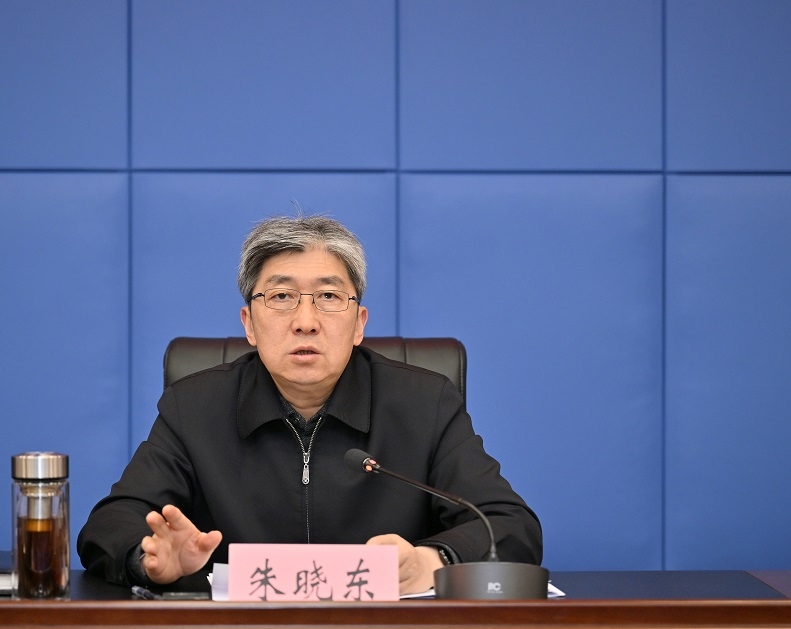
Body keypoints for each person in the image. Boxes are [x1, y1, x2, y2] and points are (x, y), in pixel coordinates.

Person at [77, 215, 542, 594]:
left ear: (359, 324)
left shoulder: (425, 404)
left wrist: (430, 561)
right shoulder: (195, 407)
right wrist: (148, 559)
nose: (305, 321)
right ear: (249, 324)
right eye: (281, 296)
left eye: (328, 297)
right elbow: (110, 524)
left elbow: (509, 525)